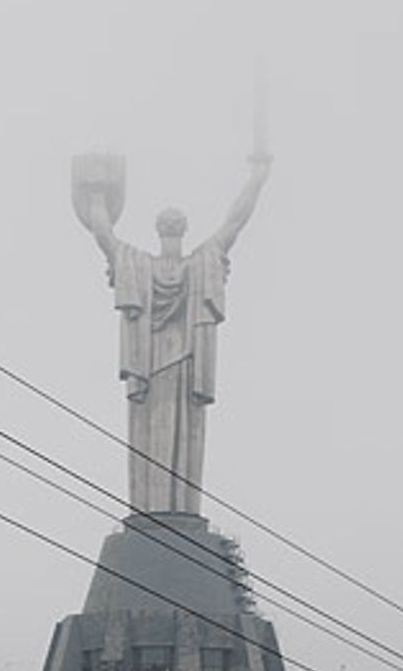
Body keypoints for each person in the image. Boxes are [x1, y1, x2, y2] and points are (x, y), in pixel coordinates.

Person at [75, 153, 271, 517]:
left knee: (147, 440)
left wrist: (97, 191)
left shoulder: (137, 264)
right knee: (186, 441)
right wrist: (257, 179)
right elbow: (236, 220)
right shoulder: (202, 261)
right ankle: (178, 512)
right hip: (180, 365)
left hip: (151, 368)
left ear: (160, 230)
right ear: (181, 230)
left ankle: (157, 514)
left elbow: (102, 232)